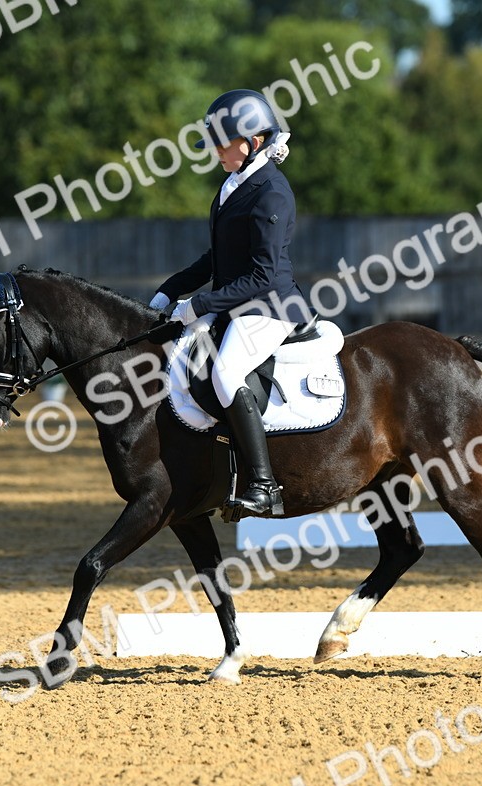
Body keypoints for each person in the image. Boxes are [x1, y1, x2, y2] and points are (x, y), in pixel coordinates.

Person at [149, 89, 312, 519]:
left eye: (224, 143)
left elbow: (262, 273)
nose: (217, 151)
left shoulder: (271, 192)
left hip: (270, 305)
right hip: (239, 300)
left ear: (254, 142)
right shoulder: (233, 183)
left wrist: (199, 305)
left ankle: (263, 485)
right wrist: (170, 289)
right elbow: (216, 259)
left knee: (226, 372)